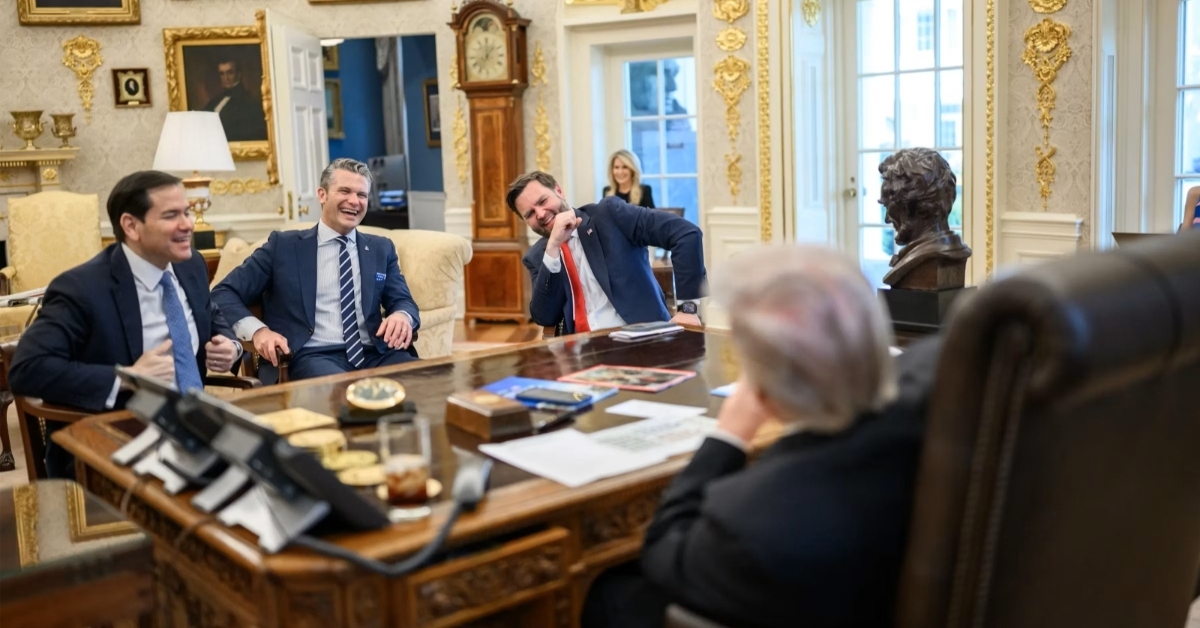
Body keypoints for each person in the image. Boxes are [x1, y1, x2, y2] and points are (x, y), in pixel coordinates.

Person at [582, 245, 942, 628]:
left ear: (763, 384)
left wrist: (727, 436)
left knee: (606, 593)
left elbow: (664, 549)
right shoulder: (934, 392)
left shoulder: (750, 517)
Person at [9, 170, 242, 478]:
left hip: (196, 428)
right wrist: (127, 378)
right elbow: (27, 370)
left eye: (186, 212)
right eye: (171, 215)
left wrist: (231, 345)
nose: (187, 224)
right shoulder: (82, 288)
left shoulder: (191, 265)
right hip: (114, 439)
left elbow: (208, 312)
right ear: (131, 226)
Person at [211, 158, 420, 382]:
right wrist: (258, 332)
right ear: (322, 195)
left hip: (375, 354)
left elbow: (403, 300)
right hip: (311, 356)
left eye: (362, 195)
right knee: (343, 390)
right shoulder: (283, 246)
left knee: (429, 379)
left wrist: (402, 316)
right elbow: (223, 293)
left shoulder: (381, 248)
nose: (354, 201)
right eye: (345, 191)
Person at [505, 170, 705, 334]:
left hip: (641, 342)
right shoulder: (539, 256)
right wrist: (553, 248)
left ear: (559, 191)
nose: (540, 214)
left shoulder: (609, 215)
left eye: (542, 201)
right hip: (580, 354)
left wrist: (687, 309)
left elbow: (686, 234)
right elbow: (544, 317)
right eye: (530, 214)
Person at [199, 58, 267, 142]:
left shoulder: (249, 103)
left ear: (239, 74)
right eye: (222, 74)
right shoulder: (214, 102)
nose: (226, 78)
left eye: (230, 73)